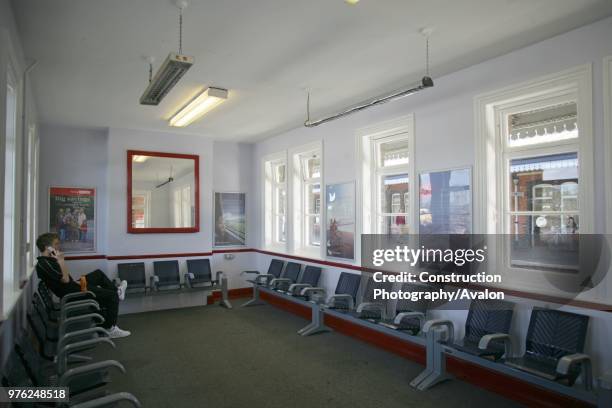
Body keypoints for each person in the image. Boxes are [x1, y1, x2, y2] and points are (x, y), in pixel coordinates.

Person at [35, 232, 131, 338]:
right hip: (72, 292)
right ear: (47, 247)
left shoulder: (49, 261)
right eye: (56, 244)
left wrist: (75, 280)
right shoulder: (45, 263)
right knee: (112, 296)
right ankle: (110, 328)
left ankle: (118, 291)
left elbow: (66, 278)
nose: (58, 246)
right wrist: (61, 260)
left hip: (74, 286)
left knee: (98, 274)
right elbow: (65, 280)